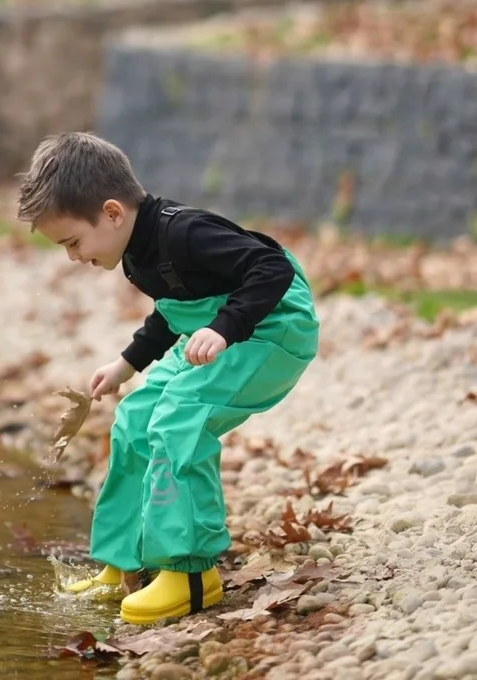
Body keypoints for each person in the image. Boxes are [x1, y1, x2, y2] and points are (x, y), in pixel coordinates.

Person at [16, 132, 319, 626]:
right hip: (218, 328)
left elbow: (270, 267)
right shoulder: (135, 252)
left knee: (180, 419)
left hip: (272, 330)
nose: (71, 256)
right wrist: (128, 363)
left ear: (112, 213)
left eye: (72, 242)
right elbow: (173, 310)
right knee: (135, 419)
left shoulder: (187, 232)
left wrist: (225, 329)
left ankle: (193, 575)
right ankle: (125, 564)